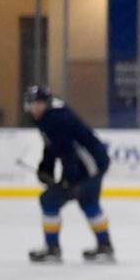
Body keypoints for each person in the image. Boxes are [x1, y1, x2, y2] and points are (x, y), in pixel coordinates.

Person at [24, 86, 115, 263]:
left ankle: (52, 249)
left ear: (47, 103)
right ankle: (105, 246)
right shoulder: (50, 116)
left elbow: (68, 151)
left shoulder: (55, 119)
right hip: (95, 165)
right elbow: (52, 146)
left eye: (39, 104)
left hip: (90, 168)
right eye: (32, 104)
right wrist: (46, 168)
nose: (35, 108)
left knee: (49, 200)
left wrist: (68, 180)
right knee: (89, 203)